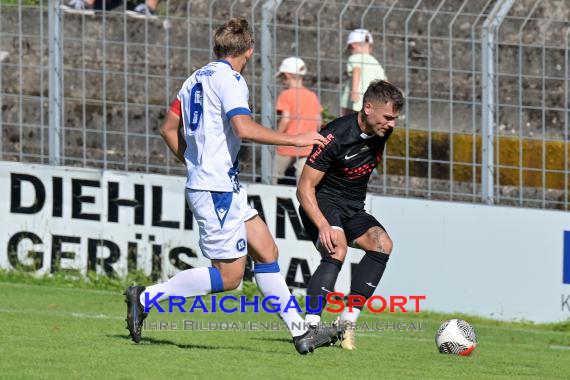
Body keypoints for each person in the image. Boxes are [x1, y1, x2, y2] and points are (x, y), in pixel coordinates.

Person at [124, 17, 340, 355]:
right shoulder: (231, 79)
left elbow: (168, 129)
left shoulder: (194, 78)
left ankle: (301, 332)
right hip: (216, 190)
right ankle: (147, 296)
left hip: (223, 186)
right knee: (229, 278)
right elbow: (243, 128)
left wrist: (195, 163)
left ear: (216, 47)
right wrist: (295, 139)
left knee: (267, 251)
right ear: (250, 51)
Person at [297, 80, 405, 350]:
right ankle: (310, 328)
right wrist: (322, 223)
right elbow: (304, 188)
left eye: (395, 118)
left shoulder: (382, 131)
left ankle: (346, 324)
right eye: (388, 117)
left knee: (383, 244)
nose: (392, 124)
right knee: (337, 249)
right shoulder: (335, 135)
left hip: (353, 207)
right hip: (324, 202)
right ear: (368, 108)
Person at [273, 57, 322, 184]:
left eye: (282, 77)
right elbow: (318, 121)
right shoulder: (312, 96)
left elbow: (285, 119)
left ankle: (265, 199)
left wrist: (277, 136)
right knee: (303, 179)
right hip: (307, 145)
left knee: (273, 174)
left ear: (287, 75)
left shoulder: (285, 94)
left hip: (288, 143)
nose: (282, 81)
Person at [340, 29, 387, 116]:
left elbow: (356, 71)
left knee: (345, 119)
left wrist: (354, 92)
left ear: (353, 46)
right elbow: (385, 81)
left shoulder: (354, 58)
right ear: (370, 47)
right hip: (371, 99)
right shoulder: (375, 62)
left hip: (355, 100)